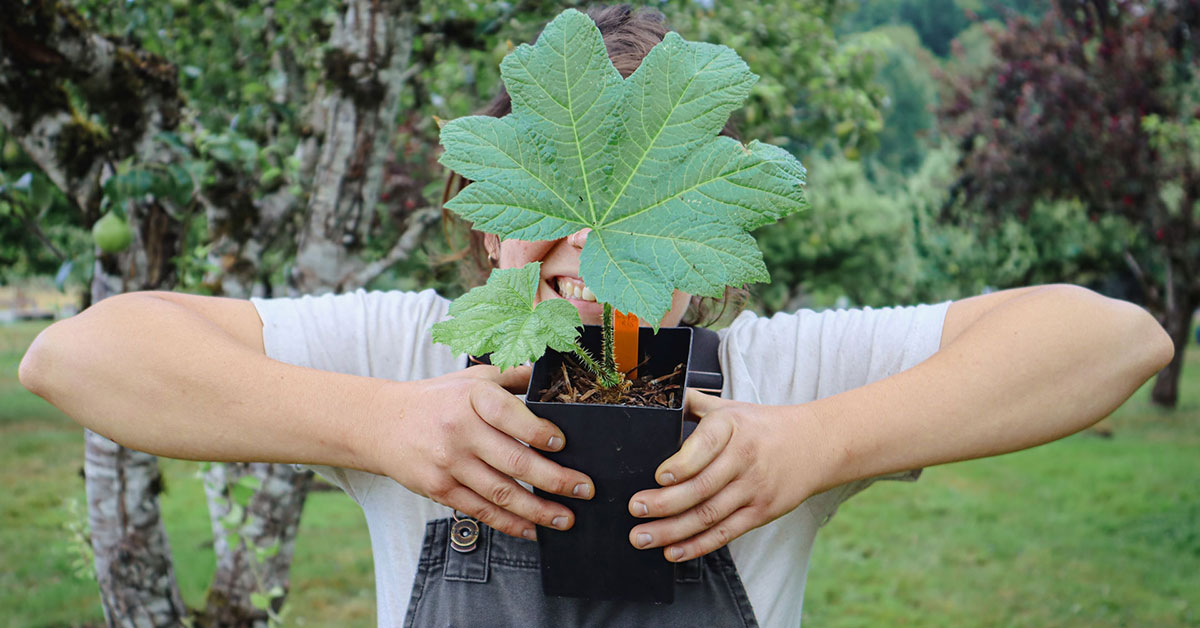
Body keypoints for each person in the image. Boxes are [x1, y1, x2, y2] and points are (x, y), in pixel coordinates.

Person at [18, 5, 1172, 627]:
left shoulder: (784, 370)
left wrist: (817, 443)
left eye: (632, 216)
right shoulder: (407, 349)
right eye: (552, 210)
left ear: (710, 241)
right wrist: (374, 427)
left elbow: (1116, 339)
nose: (588, 244)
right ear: (484, 223)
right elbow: (78, 356)